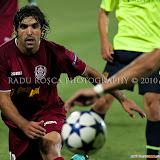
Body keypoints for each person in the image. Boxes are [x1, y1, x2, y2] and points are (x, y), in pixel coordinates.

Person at [0, 5, 145, 160]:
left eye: (34, 26)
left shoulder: (57, 53)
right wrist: (23, 125)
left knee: (49, 147)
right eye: (24, 27)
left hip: (48, 111)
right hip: (19, 120)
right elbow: (3, 100)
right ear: (15, 30)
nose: (29, 32)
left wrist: (121, 98)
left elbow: (89, 73)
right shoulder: (3, 56)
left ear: (42, 30)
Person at [89, 0, 160, 159]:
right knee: (102, 102)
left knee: (154, 106)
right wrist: (104, 40)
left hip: (152, 51)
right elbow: (103, 11)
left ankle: (152, 156)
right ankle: (83, 151)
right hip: (122, 50)